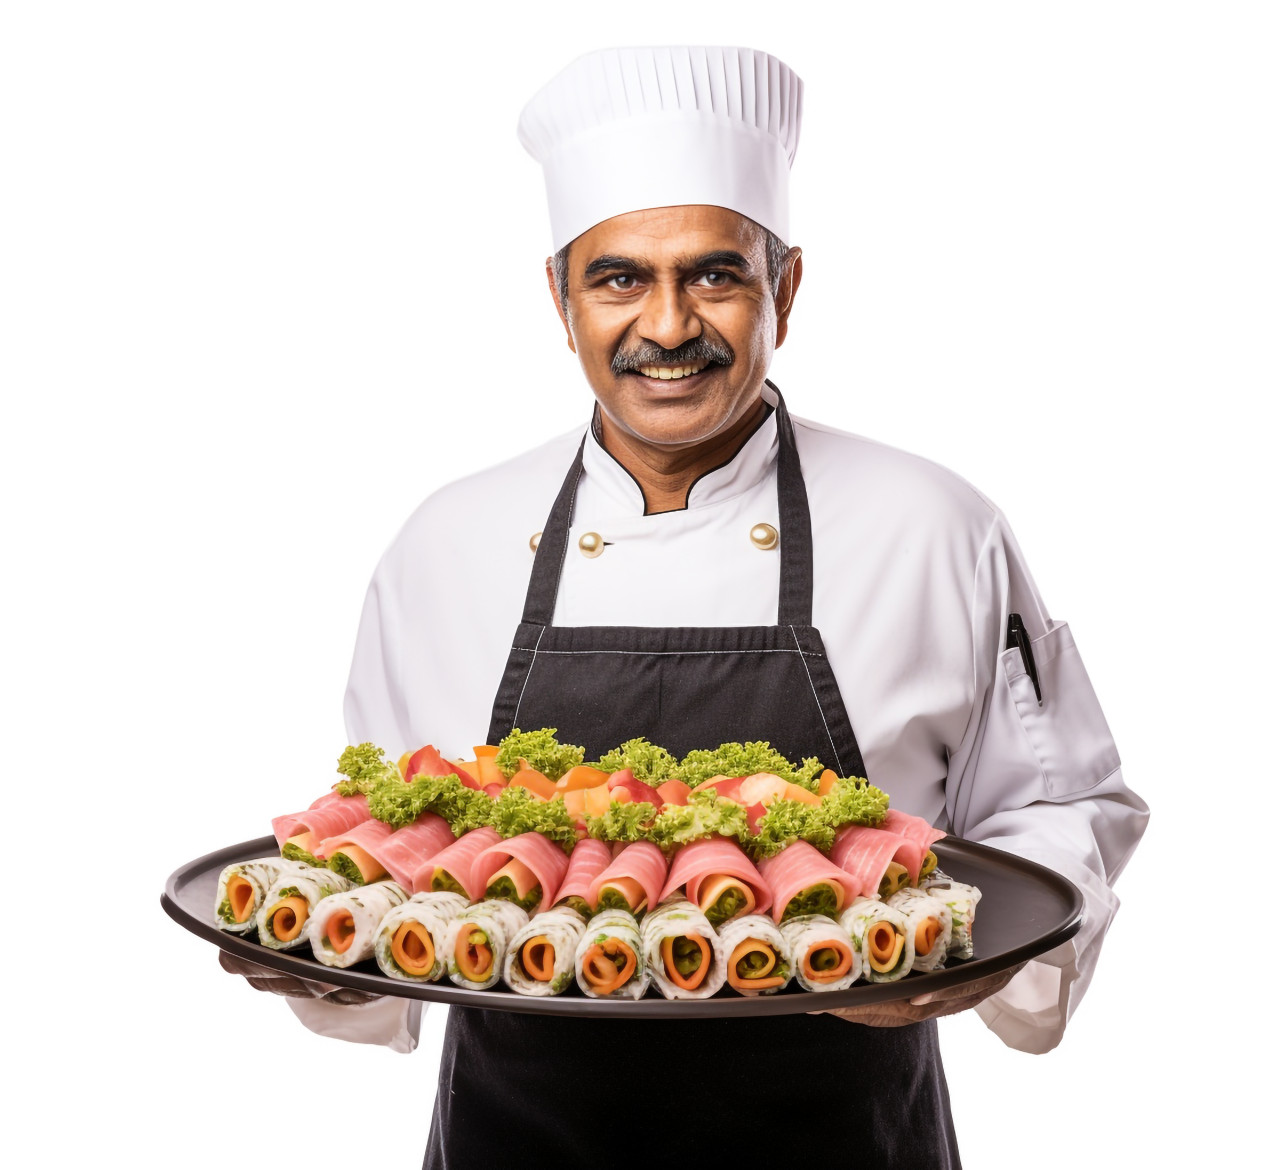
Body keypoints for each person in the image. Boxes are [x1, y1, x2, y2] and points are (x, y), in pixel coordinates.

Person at [223, 46, 1148, 1167]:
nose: (666, 326)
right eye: (619, 279)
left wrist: (975, 960)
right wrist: (325, 954)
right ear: (559, 300)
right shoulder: (447, 543)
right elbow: (390, 844)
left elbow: (1062, 806)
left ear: (785, 290)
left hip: (849, 1140)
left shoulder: (934, 525)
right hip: (514, 1139)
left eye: (714, 275)